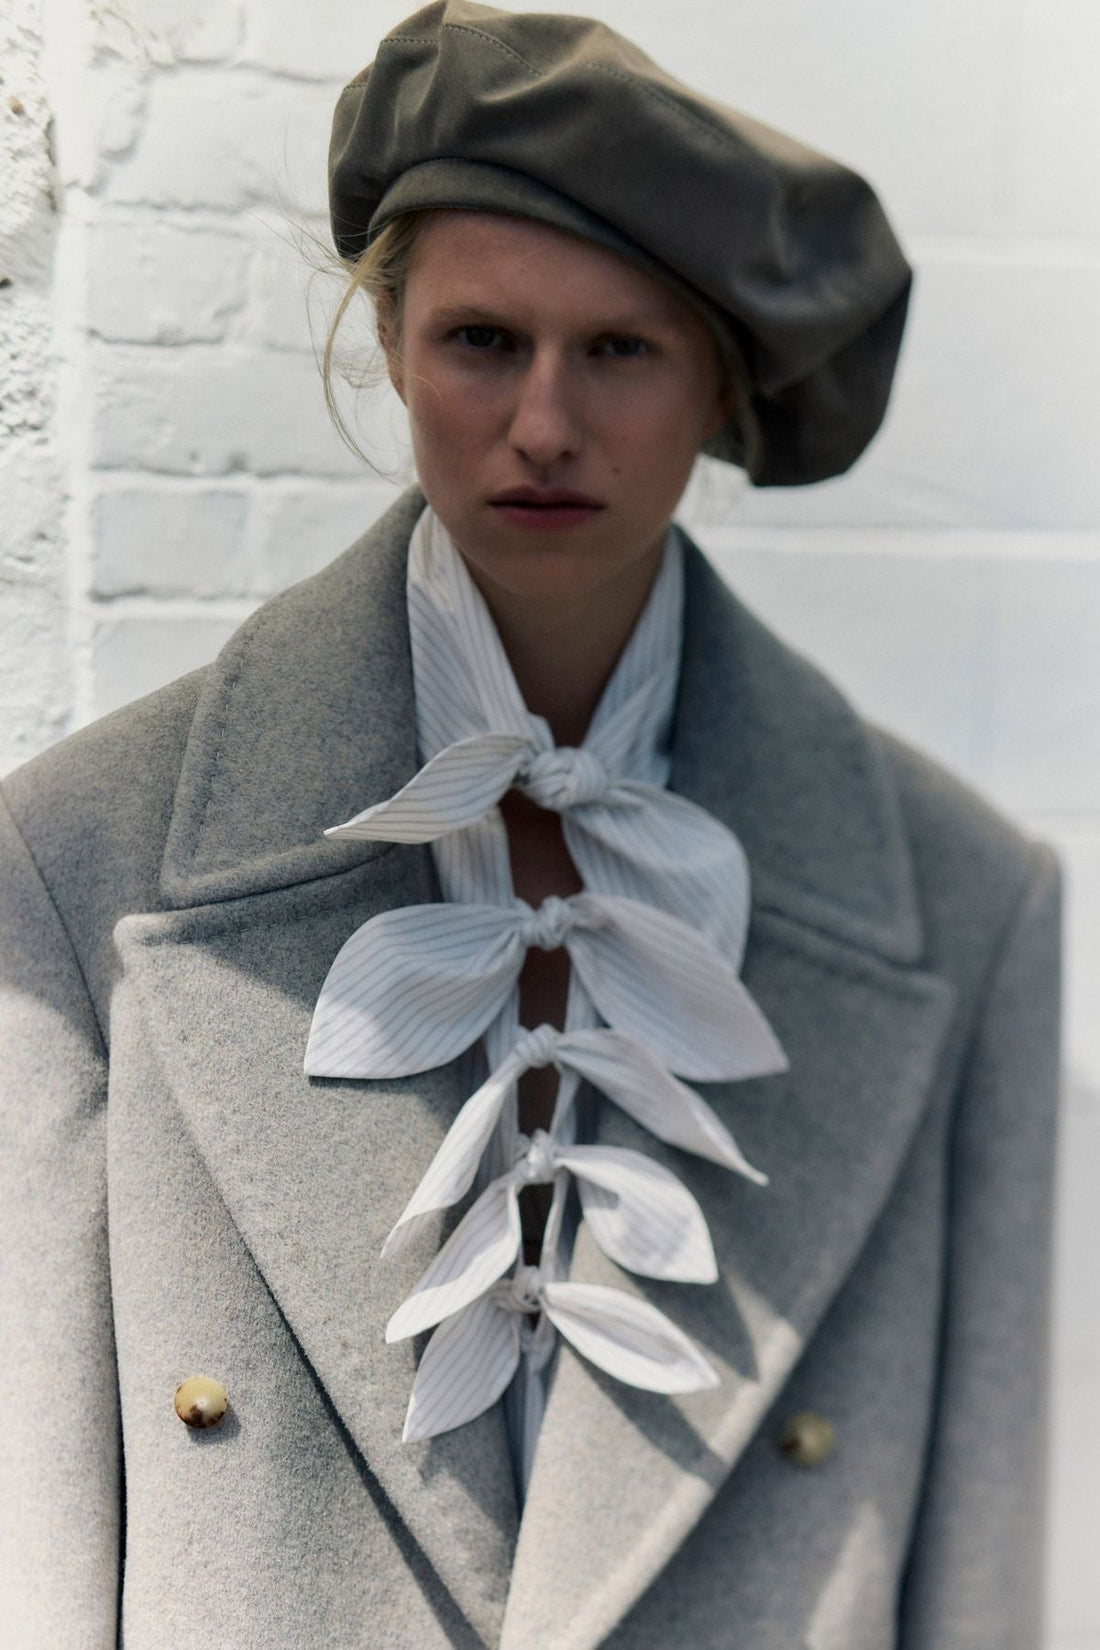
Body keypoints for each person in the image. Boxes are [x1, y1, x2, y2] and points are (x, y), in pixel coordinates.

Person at [0, 2, 1062, 1646]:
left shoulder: (973, 908)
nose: (547, 424)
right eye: (484, 340)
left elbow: (976, 1588)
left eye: (620, 350)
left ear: (720, 382)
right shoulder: (76, 860)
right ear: (389, 336)